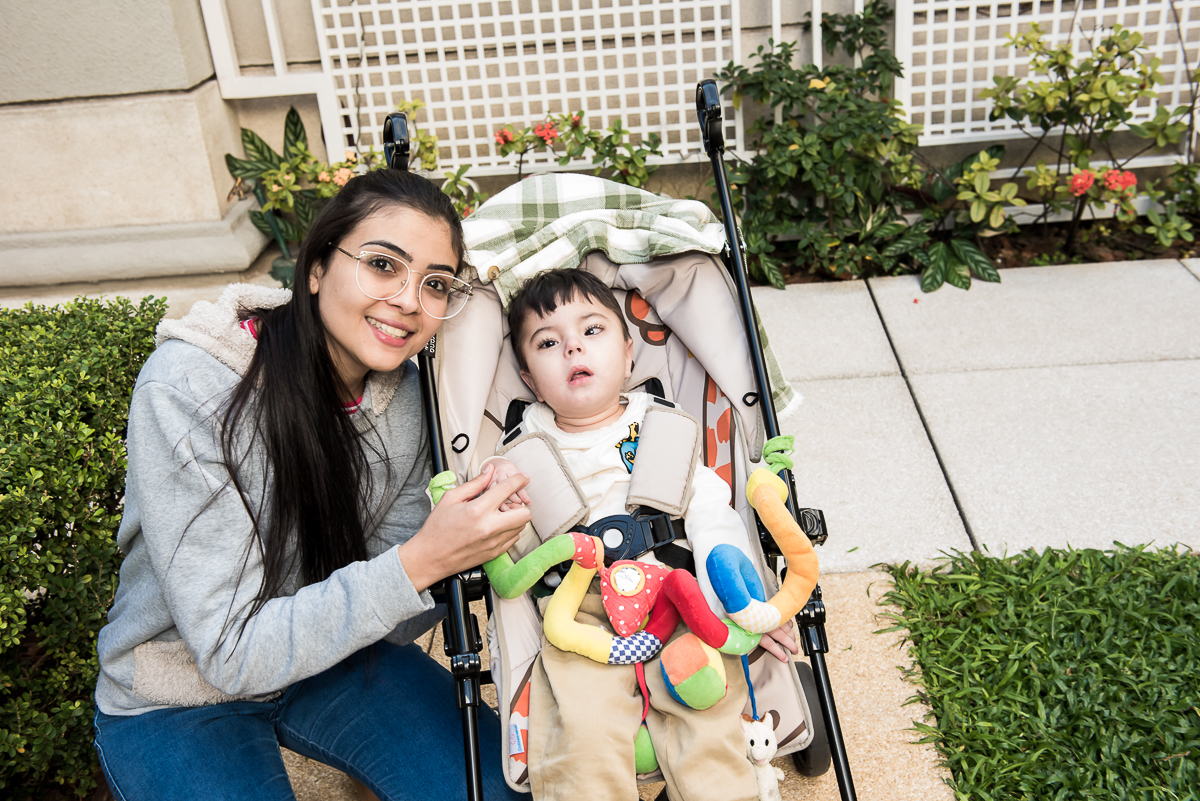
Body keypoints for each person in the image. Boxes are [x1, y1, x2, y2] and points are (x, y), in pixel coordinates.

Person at [93, 169, 532, 801]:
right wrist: (420, 562)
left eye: (435, 283)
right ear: (317, 267)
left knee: (494, 789)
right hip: (179, 688)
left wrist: (464, 547)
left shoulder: (411, 401)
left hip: (330, 660)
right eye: (384, 265)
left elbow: (392, 619)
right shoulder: (191, 388)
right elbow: (230, 653)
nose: (410, 300)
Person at [482, 269, 799, 801]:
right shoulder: (520, 447)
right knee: (582, 731)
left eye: (592, 331)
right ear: (531, 379)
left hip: (679, 595)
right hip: (579, 612)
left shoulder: (665, 425)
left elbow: (710, 514)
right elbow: (508, 540)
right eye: (548, 342)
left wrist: (740, 601)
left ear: (629, 354)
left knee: (706, 715)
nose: (572, 348)